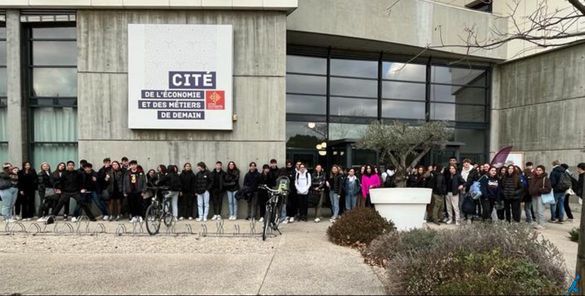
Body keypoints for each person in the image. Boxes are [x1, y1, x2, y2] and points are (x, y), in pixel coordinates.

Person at [528, 165, 552, 229]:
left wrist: (539, 190)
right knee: (535, 210)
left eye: (540, 170)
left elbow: (548, 189)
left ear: (543, 171)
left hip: (540, 196)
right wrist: (531, 190)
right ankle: (538, 223)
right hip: (534, 196)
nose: (538, 171)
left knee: (540, 211)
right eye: (537, 170)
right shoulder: (534, 178)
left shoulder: (545, 178)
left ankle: (542, 224)